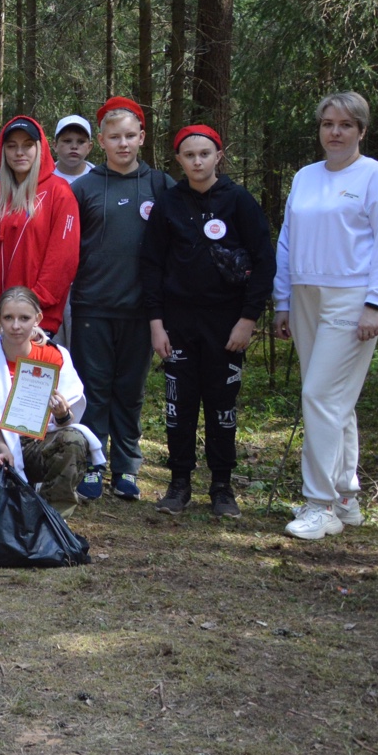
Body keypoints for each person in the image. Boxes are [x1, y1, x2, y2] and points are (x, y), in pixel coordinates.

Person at [274, 92, 378, 541]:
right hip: (306, 293)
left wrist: (377, 302)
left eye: (345, 125)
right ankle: (346, 495)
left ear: (361, 131)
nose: (335, 132)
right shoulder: (305, 177)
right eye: (327, 123)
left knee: (319, 395)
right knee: (334, 401)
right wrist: (282, 301)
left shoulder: (375, 178)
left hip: (352, 297)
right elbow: (288, 240)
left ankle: (320, 505)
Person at [140, 123, 273, 518]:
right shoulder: (169, 202)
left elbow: (264, 262)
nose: (197, 161)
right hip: (178, 322)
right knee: (179, 406)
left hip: (226, 323)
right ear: (178, 160)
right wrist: (156, 323)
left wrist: (248, 319)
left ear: (218, 156)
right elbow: (151, 265)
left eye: (204, 154)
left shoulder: (239, 201)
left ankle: (222, 486)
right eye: (189, 155)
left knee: (221, 405)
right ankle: (179, 484)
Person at [69, 97, 172, 502]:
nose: (123, 143)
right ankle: (93, 463)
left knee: (130, 390)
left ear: (142, 137)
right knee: (94, 389)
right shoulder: (84, 187)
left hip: (142, 310)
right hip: (93, 304)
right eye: (115, 137)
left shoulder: (159, 185)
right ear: (102, 140)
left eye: (130, 135)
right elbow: (69, 248)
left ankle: (127, 466)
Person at [0, 286, 93, 518]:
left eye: (24, 318)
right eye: (8, 318)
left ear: (38, 319)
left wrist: (61, 412)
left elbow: (67, 422)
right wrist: (4, 451)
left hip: (42, 442)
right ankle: (17, 510)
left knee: (74, 440)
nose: (16, 326)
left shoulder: (54, 356)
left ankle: (55, 518)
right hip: (6, 442)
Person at [0, 116, 81, 340]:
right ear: (3, 151)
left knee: (29, 376)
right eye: (11, 146)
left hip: (37, 315)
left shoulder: (60, 192)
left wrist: (34, 302)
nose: (19, 152)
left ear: (40, 148)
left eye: (27, 145)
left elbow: (63, 258)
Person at [53, 115, 95, 182]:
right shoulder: (42, 178)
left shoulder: (99, 179)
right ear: (55, 146)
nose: (74, 146)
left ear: (89, 147)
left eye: (81, 142)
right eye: (67, 141)